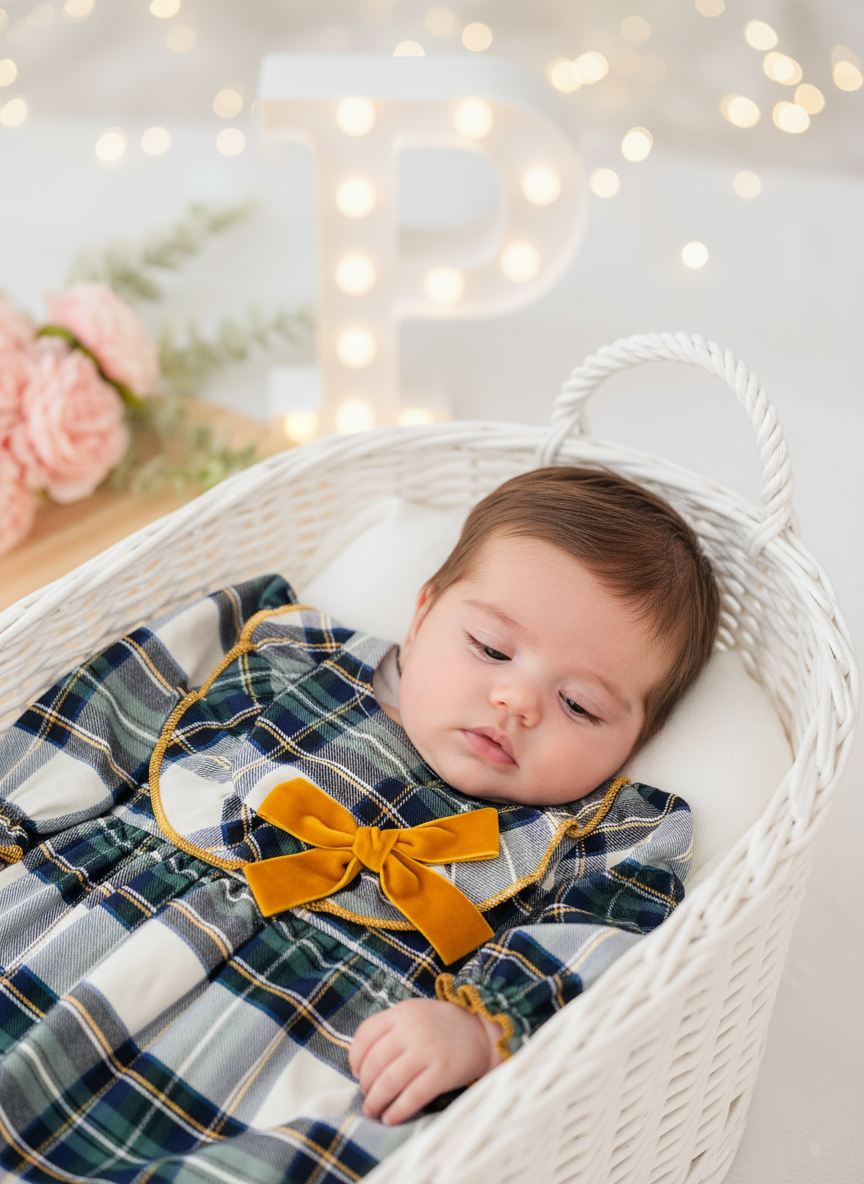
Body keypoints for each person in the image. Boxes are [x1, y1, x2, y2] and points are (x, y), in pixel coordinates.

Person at [0, 466, 718, 1183]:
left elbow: (604, 946)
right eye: (493, 650)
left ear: (638, 739)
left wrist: (481, 1026)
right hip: (85, 936)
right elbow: (112, 713)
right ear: (423, 613)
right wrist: (17, 812)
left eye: (581, 706)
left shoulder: (602, 834)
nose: (517, 700)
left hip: (292, 1064)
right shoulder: (283, 651)